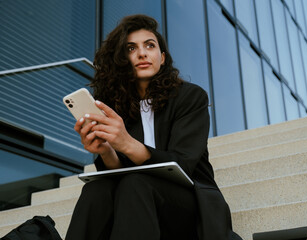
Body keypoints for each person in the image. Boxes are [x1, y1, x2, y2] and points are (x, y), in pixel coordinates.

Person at [65, 14, 243, 240]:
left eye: (150, 45)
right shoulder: (117, 107)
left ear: (162, 57)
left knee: (136, 183)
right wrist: (106, 151)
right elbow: (118, 173)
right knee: (96, 189)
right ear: (121, 59)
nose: (142, 53)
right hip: (135, 205)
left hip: (189, 203)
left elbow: (183, 164)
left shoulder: (190, 97)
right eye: (131, 48)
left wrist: (127, 143)